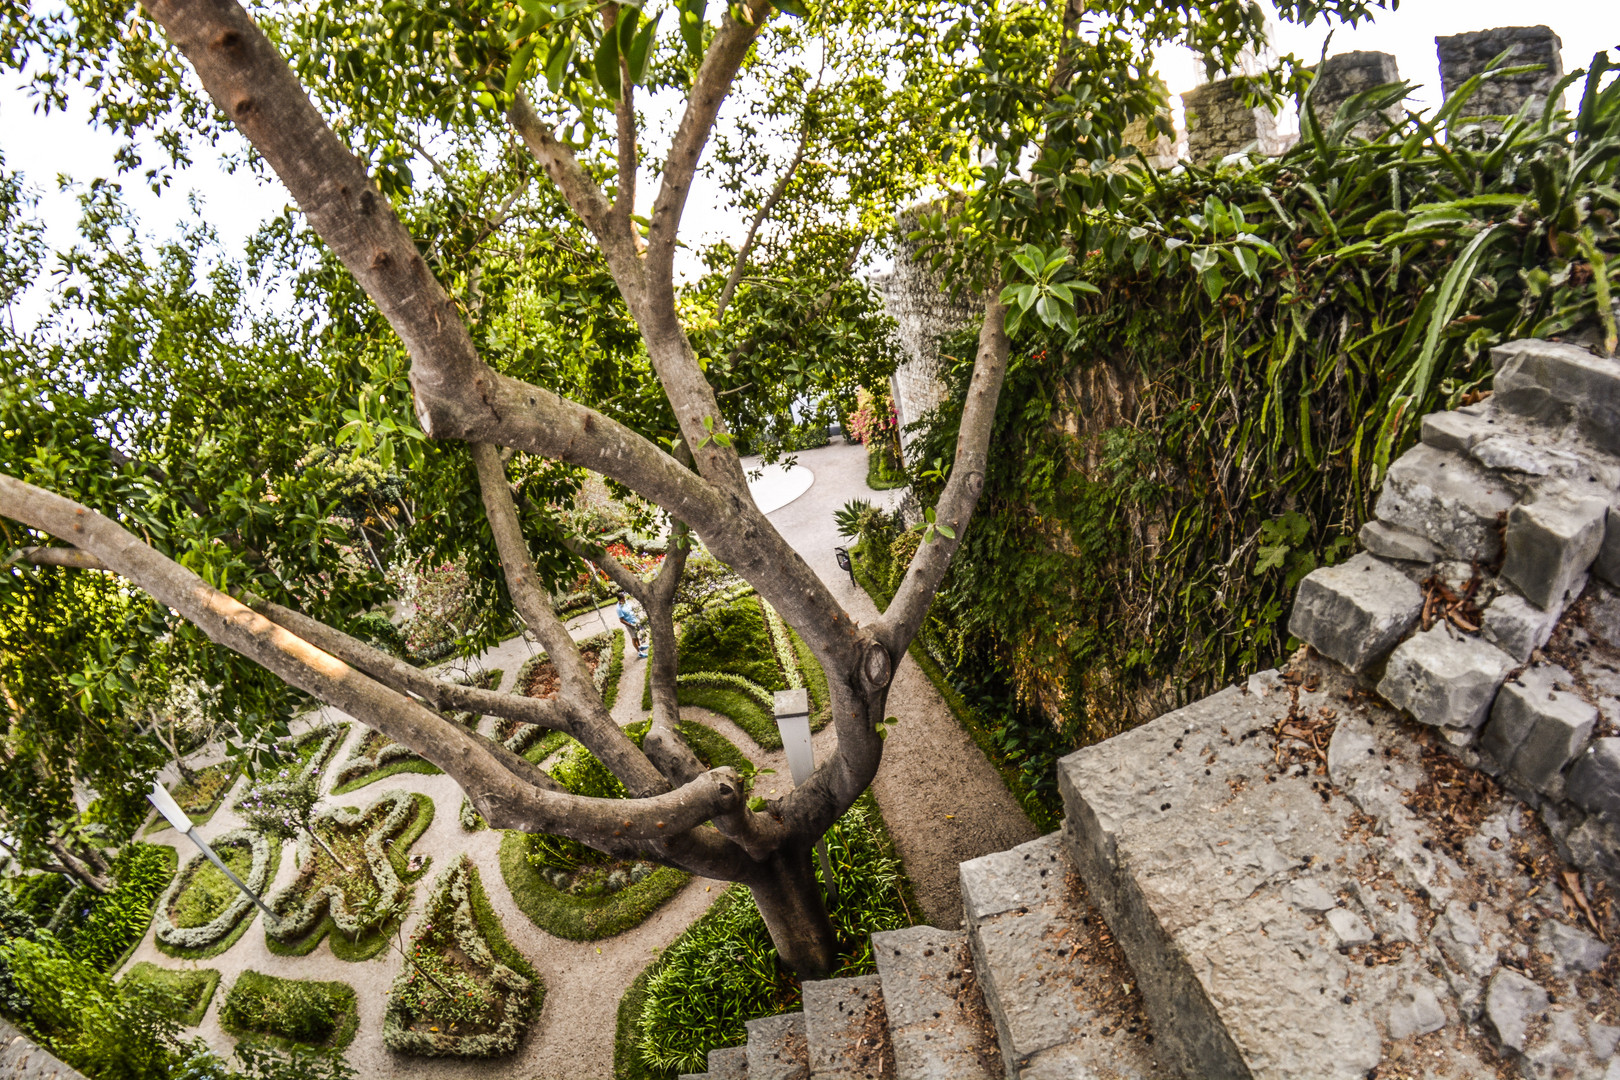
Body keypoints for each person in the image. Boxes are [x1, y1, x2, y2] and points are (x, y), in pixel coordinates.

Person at [617, 592, 649, 658]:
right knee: (633, 638)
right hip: (629, 624)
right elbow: (621, 620)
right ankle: (639, 652)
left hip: (634, 621)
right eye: (623, 598)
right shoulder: (619, 609)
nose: (625, 599)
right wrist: (630, 624)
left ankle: (640, 647)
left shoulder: (626, 602)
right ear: (620, 600)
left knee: (636, 635)